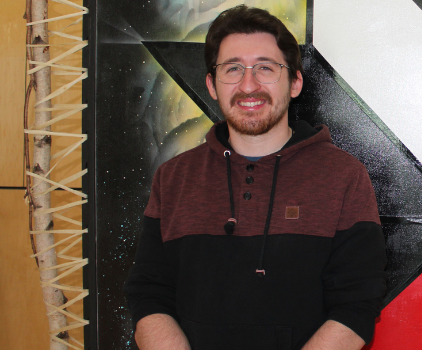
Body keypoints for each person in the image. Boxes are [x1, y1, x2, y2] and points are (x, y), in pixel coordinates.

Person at [123, 5, 387, 350]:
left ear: (294, 82)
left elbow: (357, 306)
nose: (249, 85)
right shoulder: (173, 178)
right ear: (212, 85)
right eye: (233, 69)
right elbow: (148, 294)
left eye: (265, 68)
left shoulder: (344, 176)